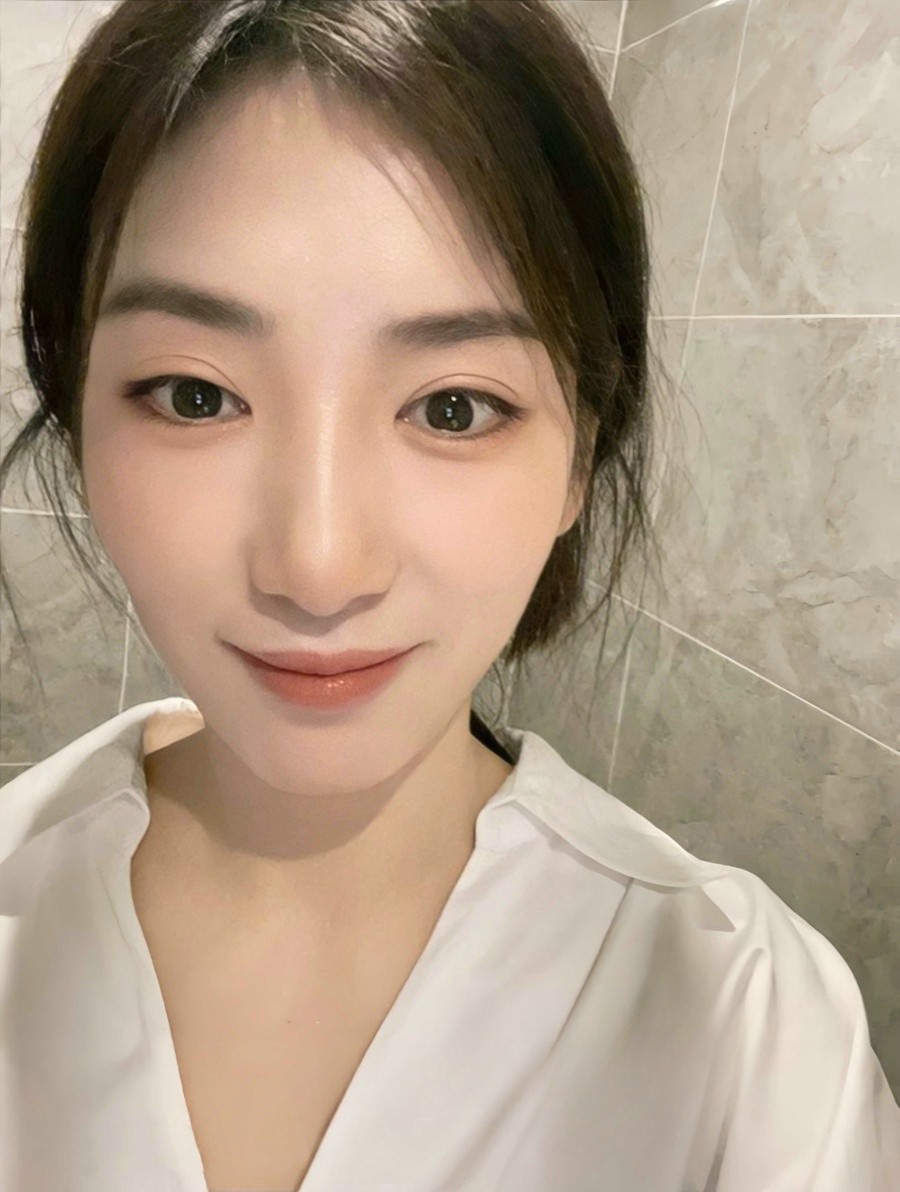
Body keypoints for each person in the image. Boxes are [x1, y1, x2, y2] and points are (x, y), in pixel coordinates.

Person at [1, 3, 897, 1190]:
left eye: (453, 407)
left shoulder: (757, 1040)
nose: (319, 566)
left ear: (580, 459)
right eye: (196, 395)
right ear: (77, 416)